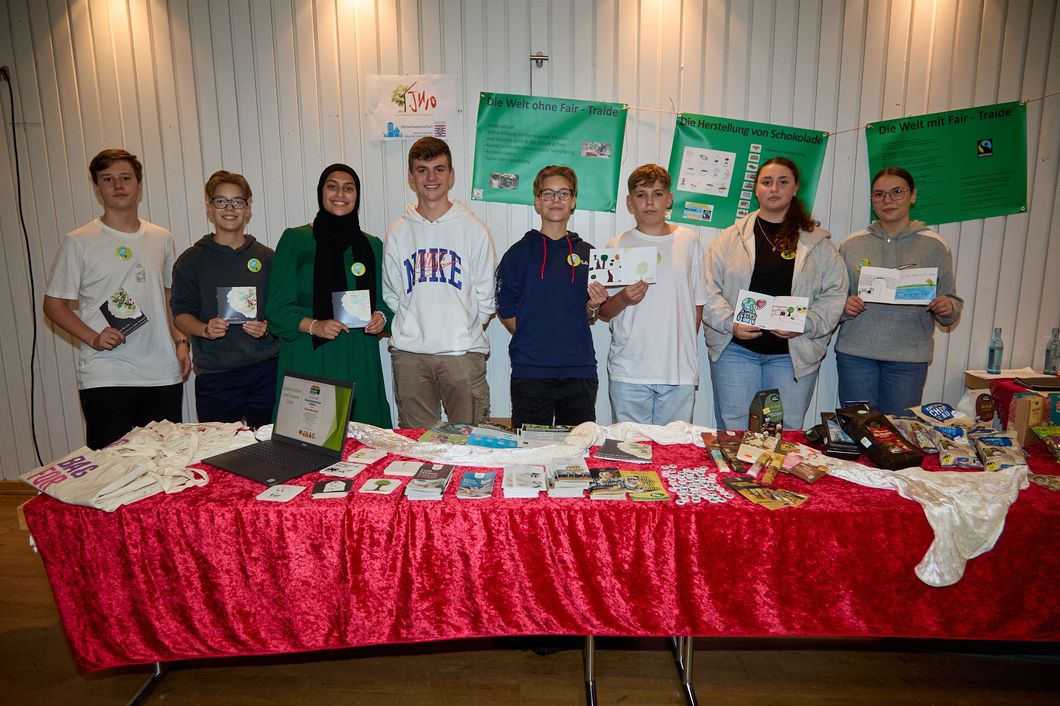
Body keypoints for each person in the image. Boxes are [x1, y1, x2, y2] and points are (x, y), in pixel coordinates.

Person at [43, 148, 191, 449]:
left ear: (139, 185)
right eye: (108, 179)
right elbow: (53, 305)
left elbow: (168, 295)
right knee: (110, 467)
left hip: (161, 373)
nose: (118, 185)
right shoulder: (79, 241)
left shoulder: (161, 237)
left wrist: (180, 342)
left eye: (125, 177)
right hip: (107, 375)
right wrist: (94, 338)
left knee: (165, 464)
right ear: (97, 188)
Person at [702, 156, 847, 430]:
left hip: (792, 356)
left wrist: (805, 323)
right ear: (756, 189)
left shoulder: (819, 243)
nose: (774, 188)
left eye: (783, 182)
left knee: (785, 432)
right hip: (736, 352)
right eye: (766, 182)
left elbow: (834, 295)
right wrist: (730, 323)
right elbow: (708, 288)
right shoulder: (730, 238)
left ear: (796, 187)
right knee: (734, 430)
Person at [266, 164, 393, 428]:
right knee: (310, 437)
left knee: (364, 441)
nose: (340, 194)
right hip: (309, 356)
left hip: (359, 357)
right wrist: (315, 325)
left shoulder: (372, 245)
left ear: (357, 196)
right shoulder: (295, 240)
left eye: (349, 188)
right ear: (321, 192)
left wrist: (381, 318)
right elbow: (277, 310)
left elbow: (385, 303)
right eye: (332, 186)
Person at [382, 137, 497, 428]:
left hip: (462, 353)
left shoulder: (473, 229)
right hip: (410, 355)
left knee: (470, 440)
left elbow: (486, 296)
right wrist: (415, 325)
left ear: (451, 175)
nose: (431, 178)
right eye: (422, 170)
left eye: (439, 169)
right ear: (411, 177)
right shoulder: (397, 232)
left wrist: (462, 329)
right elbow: (392, 293)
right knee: (417, 443)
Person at [835, 167, 962, 414]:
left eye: (897, 192)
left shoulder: (935, 244)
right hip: (856, 355)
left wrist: (948, 307)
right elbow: (834, 299)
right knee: (857, 428)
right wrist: (844, 306)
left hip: (908, 359)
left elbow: (951, 303)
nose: (888, 200)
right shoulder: (851, 243)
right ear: (872, 200)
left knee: (900, 431)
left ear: (913, 195)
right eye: (879, 194)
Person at [495, 165, 608, 429]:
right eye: (548, 193)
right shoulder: (517, 254)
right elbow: (505, 307)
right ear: (537, 201)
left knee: (578, 448)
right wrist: (533, 336)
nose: (555, 199)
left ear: (573, 201)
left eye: (563, 193)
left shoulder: (590, 255)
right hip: (530, 372)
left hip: (579, 371)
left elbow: (589, 314)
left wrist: (593, 306)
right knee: (531, 448)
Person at [598, 164, 708, 425]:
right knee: (631, 447)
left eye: (657, 194)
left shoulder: (688, 241)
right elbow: (602, 311)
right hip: (629, 370)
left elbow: (697, 304)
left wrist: (680, 349)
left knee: (674, 447)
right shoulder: (616, 246)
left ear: (669, 199)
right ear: (629, 203)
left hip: (677, 372)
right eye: (641, 195)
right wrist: (624, 299)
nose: (649, 202)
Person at [170, 170, 279, 428]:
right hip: (216, 375)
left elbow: (281, 310)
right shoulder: (191, 260)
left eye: (237, 201)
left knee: (269, 442)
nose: (229, 208)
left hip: (267, 370)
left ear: (248, 208)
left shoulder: (268, 258)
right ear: (209, 208)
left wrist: (267, 326)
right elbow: (181, 315)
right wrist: (205, 329)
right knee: (219, 447)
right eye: (221, 201)